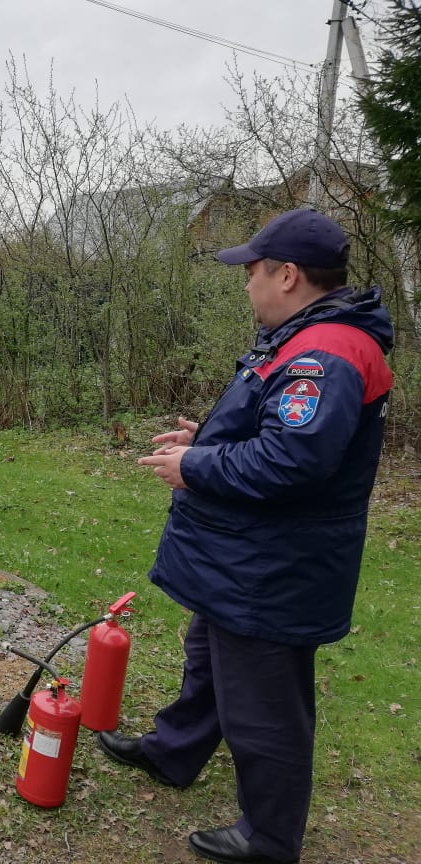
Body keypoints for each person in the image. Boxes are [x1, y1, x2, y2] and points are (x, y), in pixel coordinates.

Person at [97, 209, 393, 864]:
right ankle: (174, 752)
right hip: (246, 553)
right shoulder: (303, 337)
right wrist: (205, 440)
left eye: (253, 271)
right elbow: (279, 436)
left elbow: (292, 463)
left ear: (288, 275)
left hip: (276, 565)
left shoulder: (329, 353)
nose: (247, 284)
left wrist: (193, 466)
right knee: (209, 656)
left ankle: (269, 837)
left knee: (265, 706)